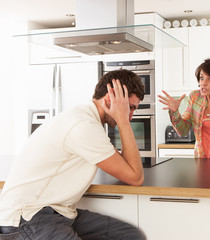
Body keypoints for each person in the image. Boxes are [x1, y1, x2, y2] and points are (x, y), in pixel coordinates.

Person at [0, 69, 146, 240]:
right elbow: (135, 177)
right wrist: (121, 119)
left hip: (59, 213)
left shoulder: (88, 121)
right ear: (111, 97)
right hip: (29, 218)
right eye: (129, 108)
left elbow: (127, 166)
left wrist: (122, 118)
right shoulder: (83, 125)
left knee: (129, 235)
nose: (129, 116)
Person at [158, 58, 210, 159]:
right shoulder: (195, 97)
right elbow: (183, 131)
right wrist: (174, 112)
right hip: (201, 159)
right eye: (202, 78)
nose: (203, 83)